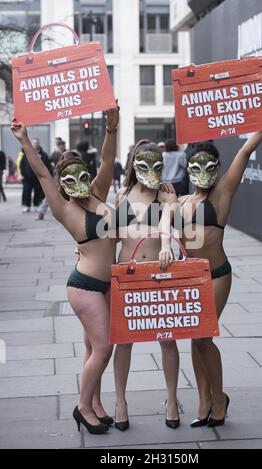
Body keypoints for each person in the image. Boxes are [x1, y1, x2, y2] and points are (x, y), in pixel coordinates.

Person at [11, 101, 120, 435]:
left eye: (81, 175)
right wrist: (24, 140)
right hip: (85, 286)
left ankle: (97, 404)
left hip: (107, 284)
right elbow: (42, 172)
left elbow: (106, 159)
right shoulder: (64, 208)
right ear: (62, 182)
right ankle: (83, 407)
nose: (79, 182)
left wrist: (112, 127)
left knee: (93, 349)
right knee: (103, 348)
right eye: (69, 178)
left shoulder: (99, 192)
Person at [174, 99, 262, 428]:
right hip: (189, 277)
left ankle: (219, 397)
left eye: (210, 167)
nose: (204, 173)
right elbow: (140, 220)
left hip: (216, 275)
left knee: (204, 338)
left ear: (217, 168)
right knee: (195, 338)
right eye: (196, 167)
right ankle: (204, 401)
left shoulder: (222, 191)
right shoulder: (179, 200)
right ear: (188, 167)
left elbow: (245, 151)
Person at [114, 140, 180, 431]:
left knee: (167, 338)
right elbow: (112, 236)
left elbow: (168, 221)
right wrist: (84, 248)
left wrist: (166, 243)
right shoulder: (122, 195)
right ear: (134, 164)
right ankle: (120, 402)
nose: (151, 169)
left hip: (158, 272)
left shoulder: (164, 193)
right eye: (144, 163)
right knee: (124, 340)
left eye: (156, 163)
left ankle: (171, 399)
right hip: (127, 275)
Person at [20, 139, 52, 212]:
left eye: (37, 143)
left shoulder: (43, 154)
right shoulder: (27, 153)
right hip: (28, 177)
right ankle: (27, 206)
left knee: (37, 192)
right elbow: (22, 164)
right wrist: (23, 174)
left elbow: (47, 165)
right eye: (34, 143)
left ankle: (36, 205)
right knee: (27, 191)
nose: (35, 144)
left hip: (38, 177)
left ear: (39, 144)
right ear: (32, 144)